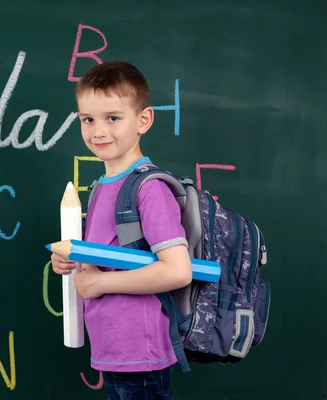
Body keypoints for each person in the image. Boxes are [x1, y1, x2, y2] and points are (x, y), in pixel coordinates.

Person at [51, 61, 193, 399]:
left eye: (112, 118)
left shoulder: (147, 188)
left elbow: (177, 270)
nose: (98, 131)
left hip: (141, 355)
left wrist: (99, 282)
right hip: (113, 349)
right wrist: (74, 262)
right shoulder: (101, 187)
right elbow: (111, 257)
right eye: (88, 119)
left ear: (143, 120)